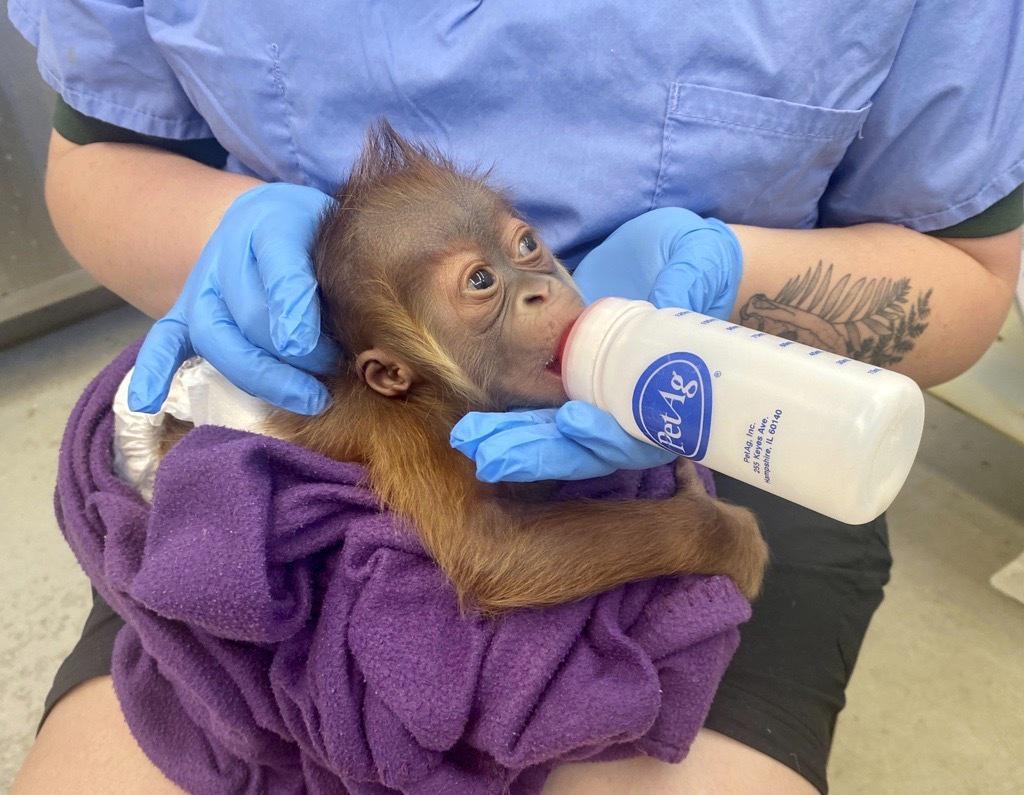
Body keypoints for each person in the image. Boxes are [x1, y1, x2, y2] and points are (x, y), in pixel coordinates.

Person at [9, 1, 1023, 792]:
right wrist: (705, 541)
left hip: (743, 417)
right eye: (485, 286)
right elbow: (487, 562)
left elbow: (973, 281)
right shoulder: (397, 422)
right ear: (393, 370)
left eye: (525, 247)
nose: (546, 284)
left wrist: (730, 273)